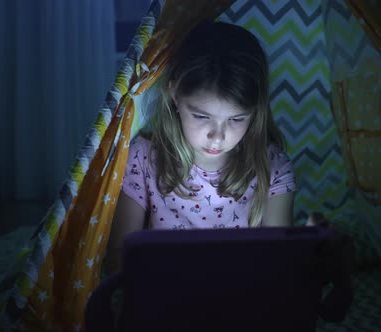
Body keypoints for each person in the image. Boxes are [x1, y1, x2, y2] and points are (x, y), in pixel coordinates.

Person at [104, 21, 297, 274]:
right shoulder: (142, 159)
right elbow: (119, 258)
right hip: (164, 297)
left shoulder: (272, 167)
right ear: (174, 94)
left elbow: (280, 261)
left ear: (255, 110)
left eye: (236, 119)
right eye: (202, 116)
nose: (218, 137)